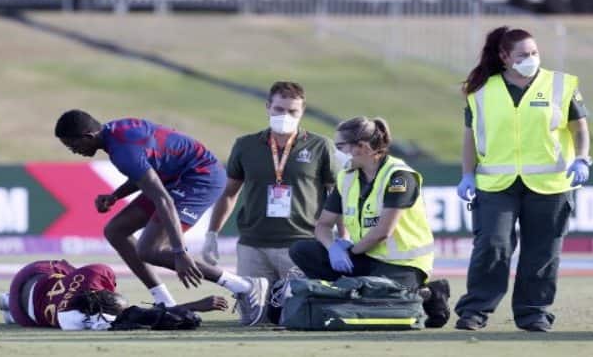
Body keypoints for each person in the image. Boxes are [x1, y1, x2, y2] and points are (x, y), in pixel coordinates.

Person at [54, 110, 269, 326]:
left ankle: (245, 286)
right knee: (116, 231)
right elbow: (146, 171)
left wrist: (180, 252)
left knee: (150, 250)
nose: (74, 151)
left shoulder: (122, 152)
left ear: (88, 136)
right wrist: (116, 195)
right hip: (175, 178)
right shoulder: (114, 132)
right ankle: (164, 301)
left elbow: (163, 200)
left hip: (200, 178)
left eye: (73, 146)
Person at [454, 26, 592, 332]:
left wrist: (582, 157)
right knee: (492, 244)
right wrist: (467, 174)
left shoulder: (561, 84)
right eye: (523, 54)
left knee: (542, 251)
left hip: (552, 184)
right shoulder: (480, 91)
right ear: (504, 57)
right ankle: (475, 310)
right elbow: (470, 137)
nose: (531, 59)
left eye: (534, 53)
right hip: (496, 184)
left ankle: (533, 313)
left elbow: (579, 127)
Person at [288, 116, 450, 328]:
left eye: (340, 147)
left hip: (402, 264)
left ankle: (429, 294)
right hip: (366, 256)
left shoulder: (399, 177)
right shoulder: (346, 177)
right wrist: (332, 248)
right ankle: (354, 289)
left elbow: (384, 231)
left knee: (376, 295)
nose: (336, 153)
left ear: (362, 147)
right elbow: (323, 225)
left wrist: (350, 252)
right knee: (302, 250)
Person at [202, 81, 340, 285]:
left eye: (293, 111)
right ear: (268, 107)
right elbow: (229, 193)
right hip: (253, 245)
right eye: (279, 109)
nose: (285, 116)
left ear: (302, 111)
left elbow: (337, 195)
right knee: (252, 315)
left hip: (303, 244)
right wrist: (212, 233)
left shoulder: (320, 146)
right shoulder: (245, 145)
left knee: (296, 314)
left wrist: (341, 238)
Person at [0, 259, 228, 330]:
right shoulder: (77, 321)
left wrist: (195, 305)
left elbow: (133, 313)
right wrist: (193, 307)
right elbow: (136, 315)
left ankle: (8, 298)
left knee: (66, 270)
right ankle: (8, 305)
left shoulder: (94, 273)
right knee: (64, 269)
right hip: (25, 317)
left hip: (30, 277)